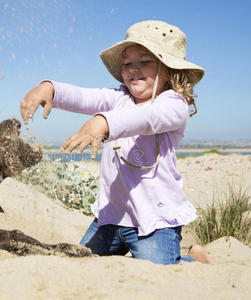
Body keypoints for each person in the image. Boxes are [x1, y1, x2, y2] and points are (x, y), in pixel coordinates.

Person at [20, 20, 214, 265]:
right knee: (80, 262)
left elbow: (145, 118)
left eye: (145, 62)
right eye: (127, 63)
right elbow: (84, 96)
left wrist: (102, 123)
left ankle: (195, 260)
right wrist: (50, 89)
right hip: (111, 217)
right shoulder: (118, 98)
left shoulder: (173, 105)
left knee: (159, 273)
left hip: (154, 221)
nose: (133, 69)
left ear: (169, 70)